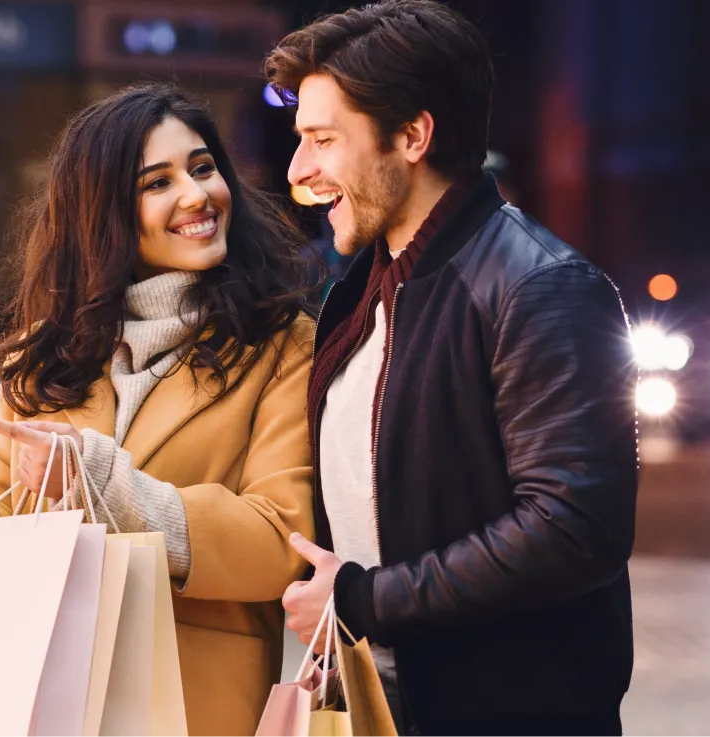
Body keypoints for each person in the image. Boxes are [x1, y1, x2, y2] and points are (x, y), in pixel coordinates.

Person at [0, 83, 318, 737]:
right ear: (104, 212)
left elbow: (279, 540)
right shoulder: (42, 357)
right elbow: (13, 556)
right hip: (53, 700)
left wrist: (114, 489)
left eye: (203, 168)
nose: (197, 195)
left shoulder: (282, 344)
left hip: (200, 706)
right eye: (158, 182)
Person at [265, 2, 640, 735]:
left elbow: (573, 528)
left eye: (322, 139)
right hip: (385, 705)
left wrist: (366, 600)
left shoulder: (540, 286)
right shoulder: (361, 292)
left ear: (412, 134)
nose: (298, 170)